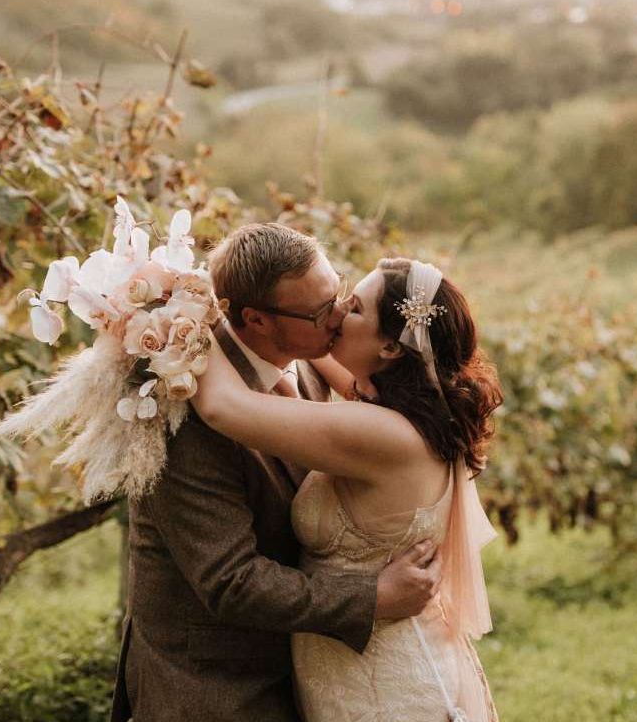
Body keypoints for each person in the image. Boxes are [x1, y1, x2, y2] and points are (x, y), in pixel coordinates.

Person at [110, 224, 441, 722]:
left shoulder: (311, 362)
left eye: (340, 295)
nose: (337, 318)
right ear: (256, 320)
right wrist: (373, 596)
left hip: (312, 669)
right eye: (316, 312)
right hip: (217, 690)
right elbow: (232, 581)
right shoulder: (182, 413)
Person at [192, 255, 503, 722]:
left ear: (392, 349)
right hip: (357, 675)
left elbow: (221, 407)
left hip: (391, 692)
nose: (335, 314)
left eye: (353, 308)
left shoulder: (384, 434)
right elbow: (306, 348)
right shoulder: (404, 404)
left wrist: (180, 312)